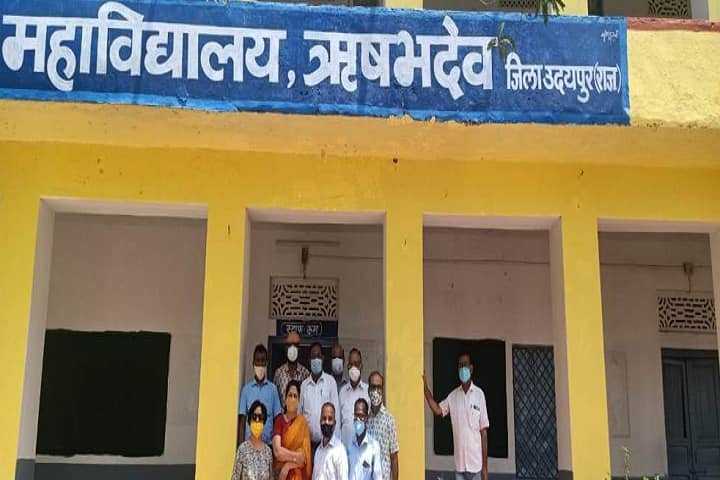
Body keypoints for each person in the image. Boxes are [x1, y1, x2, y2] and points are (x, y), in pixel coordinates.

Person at [423, 353, 489, 480]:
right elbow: (437, 410)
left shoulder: (479, 395)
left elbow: (484, 432)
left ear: (471, 368)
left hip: (476, 466)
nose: (462, 369)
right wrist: (425, 389)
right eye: (460, 366)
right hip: (460, 467)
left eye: (465, 365)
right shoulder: (453, 396)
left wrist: (485, 468)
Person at [238, 344, 282, 446]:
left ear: (266, 363)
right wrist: (241, 447)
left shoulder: (273, 389)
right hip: (249, 445)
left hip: (268, 445)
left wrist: (276, 445)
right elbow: (242, 421)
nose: (260, 364)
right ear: (253, 363)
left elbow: (278, 419)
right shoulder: (246, 390)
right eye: (258, 361)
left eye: (263, 361)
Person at [300, 342, 339, 450]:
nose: (316, 359)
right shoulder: (304, 385)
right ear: (309, 360)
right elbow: (300, 414)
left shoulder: (330, 382)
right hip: (308, 444)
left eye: (318, 356)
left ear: (322, 358)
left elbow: (336, 413)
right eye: (313, 357)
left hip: (327, 442)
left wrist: (335, 441)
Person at [272, 380, 312, 480]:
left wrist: (288, 465)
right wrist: (296, 457)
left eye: (295, 396)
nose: (292, 399)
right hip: (281, 475)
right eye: (290, 395)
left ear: (299, 401)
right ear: (285, 399)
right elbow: (277, 452)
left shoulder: (302, 423)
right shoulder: (279, 421)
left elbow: (304, 459)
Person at [366, 371, 399, 480]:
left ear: (382, 390)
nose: (376, 391)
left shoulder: (389, 420)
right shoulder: (365, 420)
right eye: (373, 387)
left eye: (379, 387)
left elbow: (394, 458)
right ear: (368, 390)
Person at [231, 400, 273, 480]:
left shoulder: (268, 452)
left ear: (264, 422)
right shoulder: (242, 450)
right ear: (249, 420)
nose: (257, 420)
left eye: (260, 417)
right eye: (254, 417)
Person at [339, 348, 369, 447]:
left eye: (356, 364)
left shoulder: (367, 391)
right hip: (345, 448)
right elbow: (338, 422)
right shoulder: (342, 392)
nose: (354, 367)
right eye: (351, 364)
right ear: (347, 367)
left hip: (363, 448)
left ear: (361, 366)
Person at [347, 398, 383, 480]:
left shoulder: (374, 447)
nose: (358, 419)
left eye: (361, 416)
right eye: (356, 415)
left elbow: (378, 477)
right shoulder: (349, 444)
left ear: (366, 418)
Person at [312, 402, 348, 480]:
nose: (327, 422)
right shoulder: (318, 451)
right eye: (324, 418)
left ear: (334, 423)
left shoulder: (340, 451)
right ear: (320, 421)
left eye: (330, 419)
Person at [274, 331, 311, 404]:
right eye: (289, 345)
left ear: (299, 348)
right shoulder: (278, 373)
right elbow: (275, 401)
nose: (292, 348)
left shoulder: (306, 374)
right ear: (285, 348)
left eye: (295, 345)